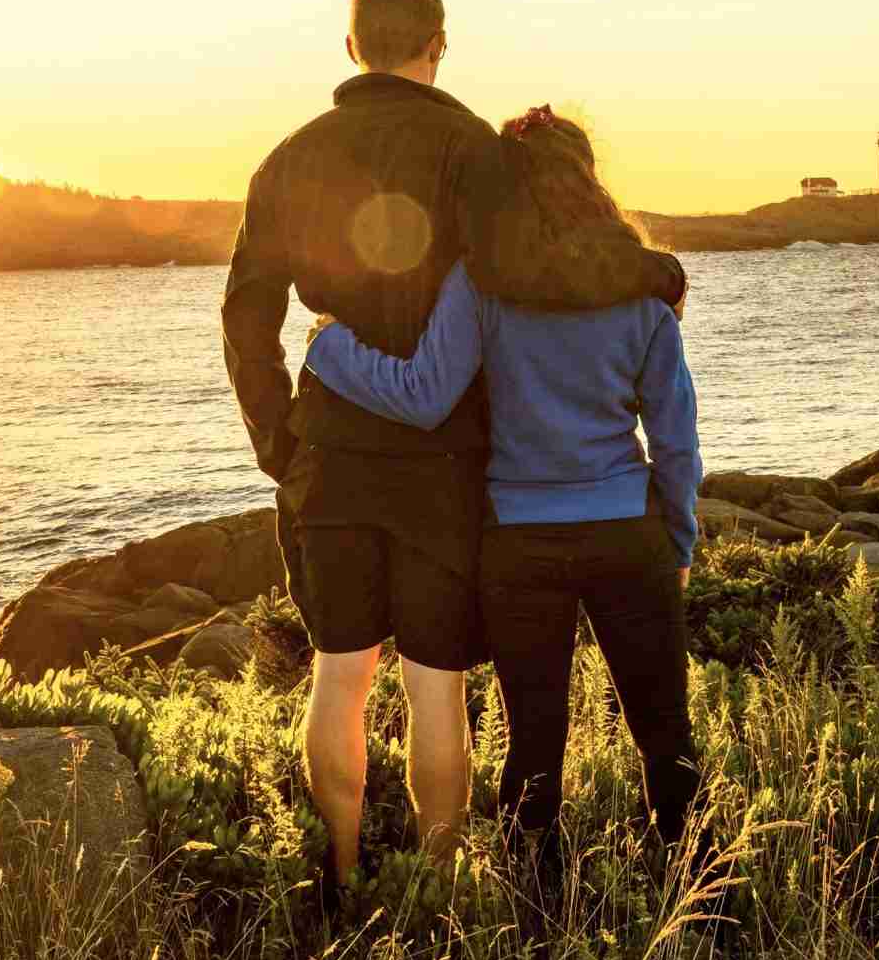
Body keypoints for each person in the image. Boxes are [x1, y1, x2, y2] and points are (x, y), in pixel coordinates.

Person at [221, 0, 686, 894]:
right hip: (444, 469)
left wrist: (280, 442)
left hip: (337, 456)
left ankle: (345, 874)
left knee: (338, 674)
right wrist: (642, 274)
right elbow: (537, 270)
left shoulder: (286, 158)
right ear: (438, 43)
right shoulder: (473, 149)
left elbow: (246, 315)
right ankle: (441, 883)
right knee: (438, 683)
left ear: (353, 45)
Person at [300, 106, 702, 878]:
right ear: (590, 180)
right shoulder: (644, 290)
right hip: (628, 536)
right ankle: (706, 914)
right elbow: (676, 443)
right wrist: (677, 542)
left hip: (519, 547)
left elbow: (421, 393)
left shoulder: (481, 283)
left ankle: (535, 925)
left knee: (536, 753)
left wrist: (330, 348)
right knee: (666, 740)